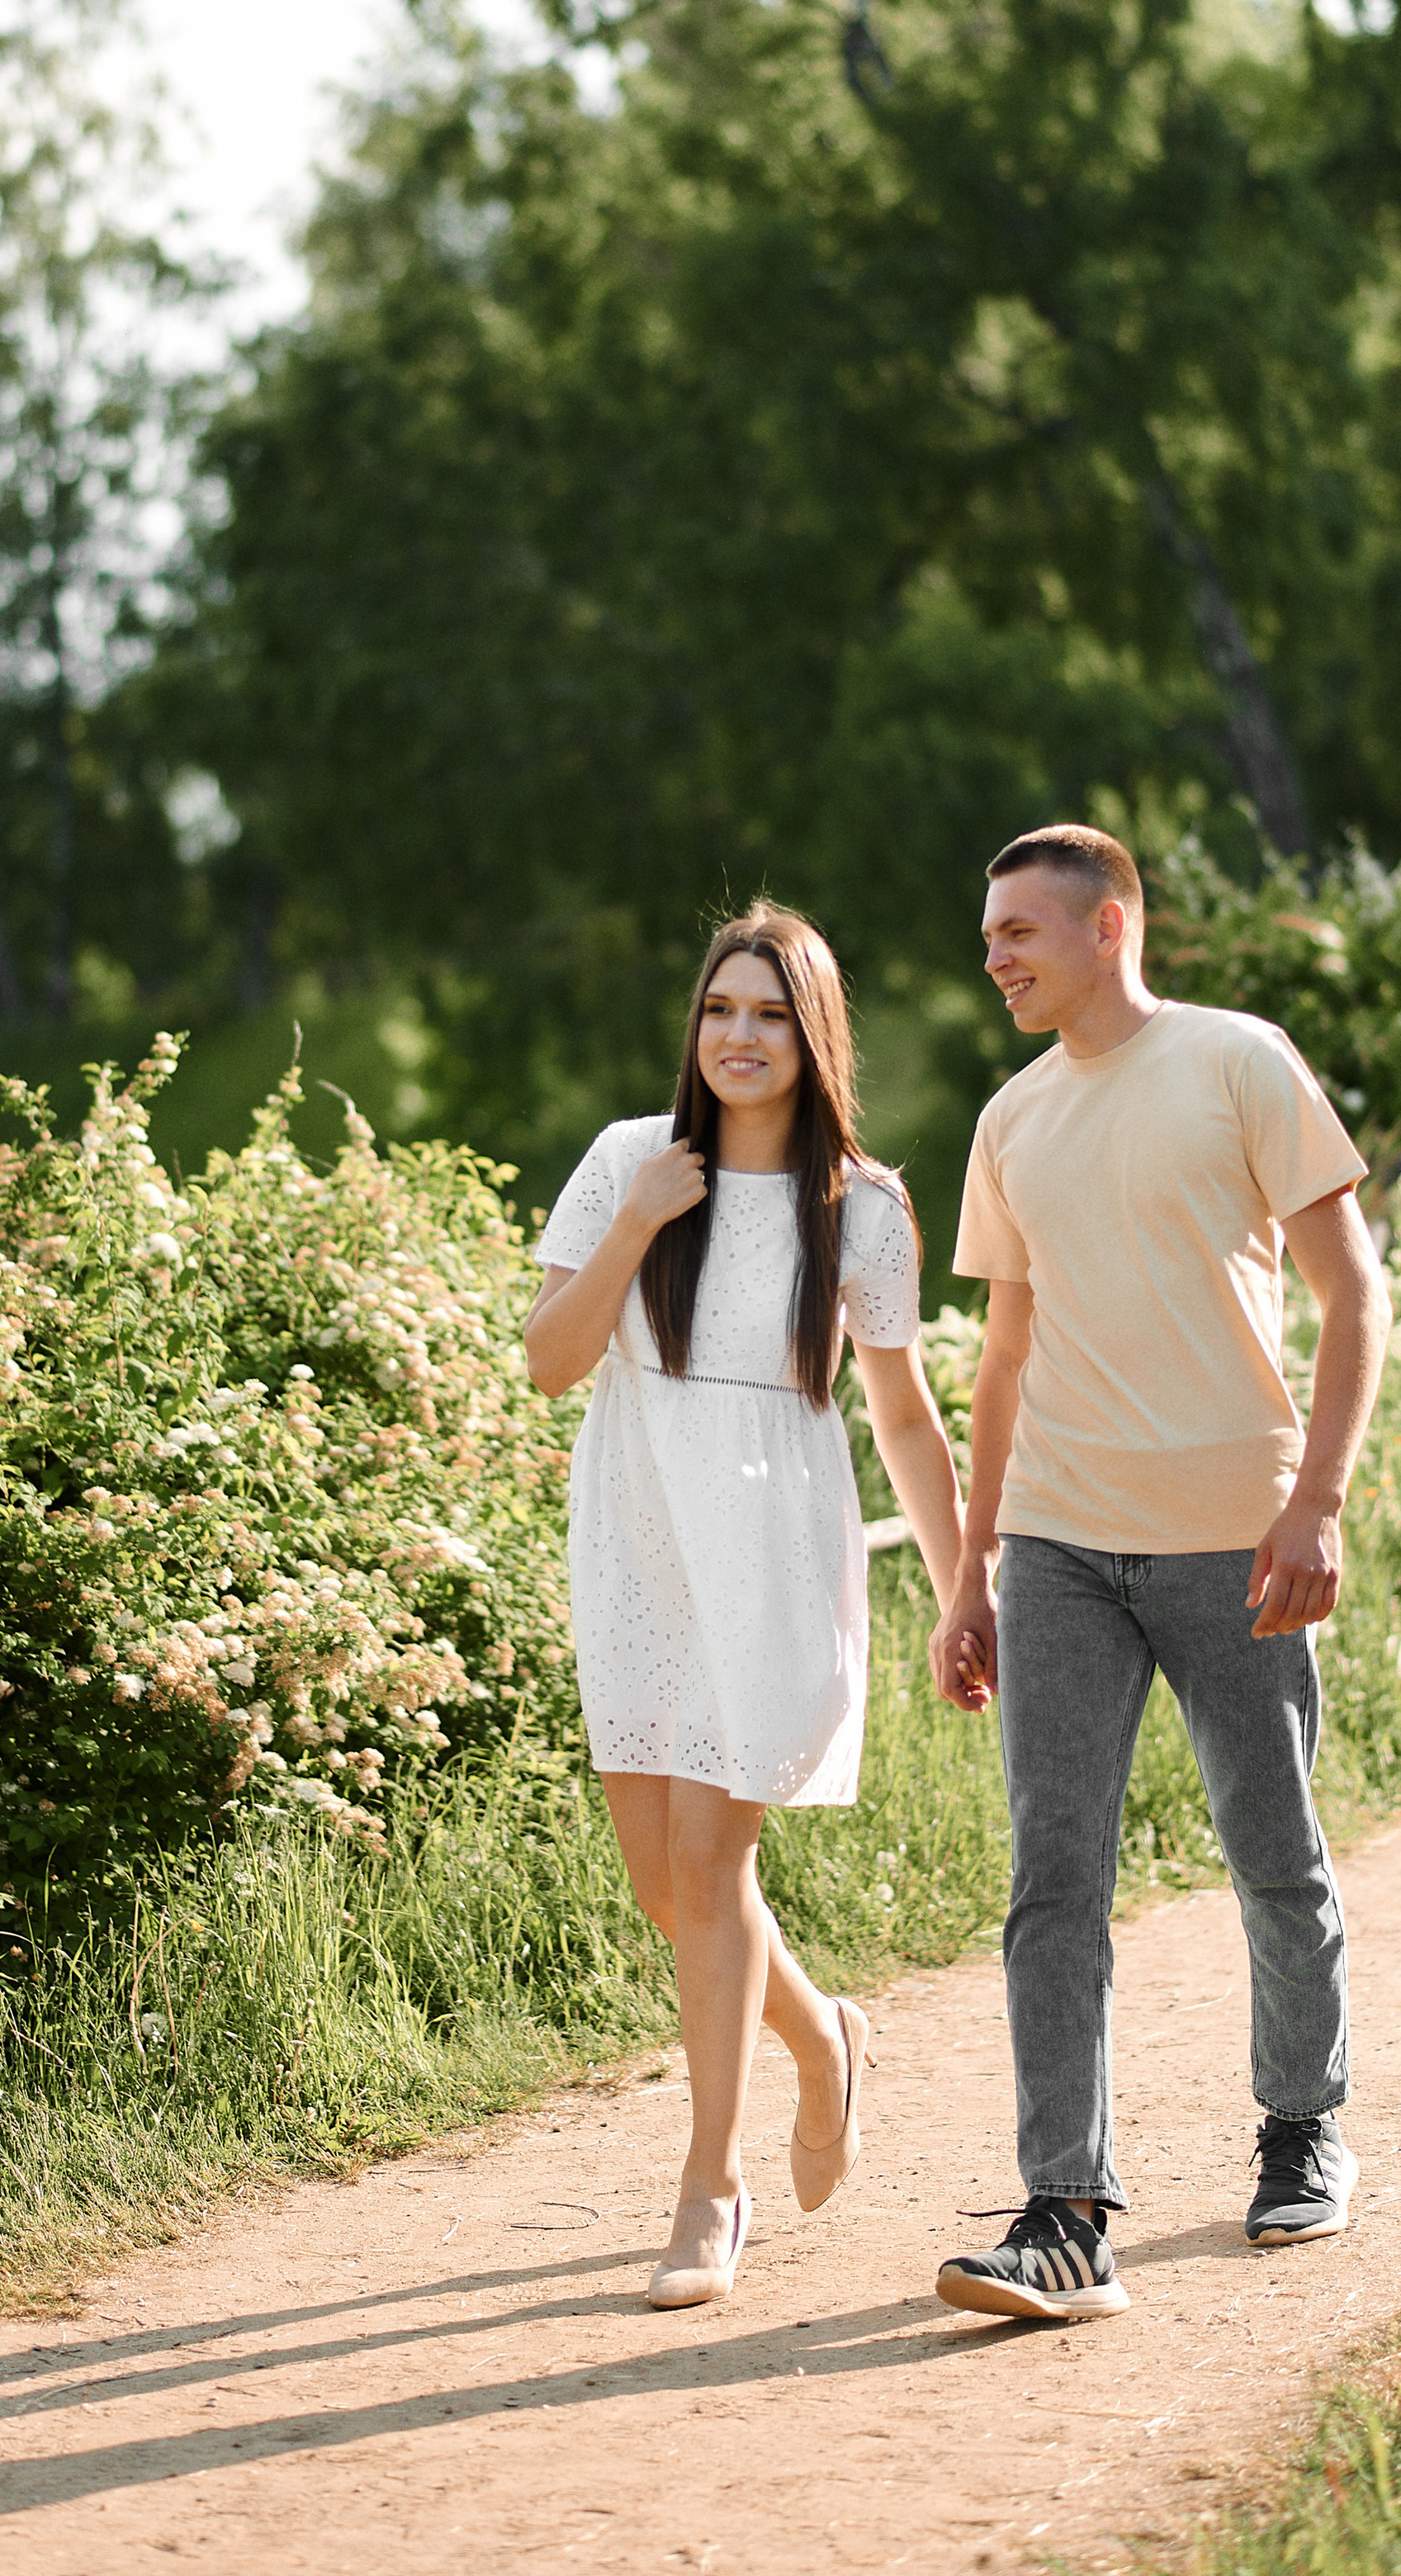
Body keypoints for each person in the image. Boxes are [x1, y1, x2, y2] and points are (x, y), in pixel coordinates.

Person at [930, 825, 1391, 2324]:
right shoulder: (1009, 1118)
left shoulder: (1240, 1061)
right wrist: (976, 1566)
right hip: (1060, 1539)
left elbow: (1351, 1293)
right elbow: (1003, 1353)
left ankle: (1301, 2124)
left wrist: (1316, 1500)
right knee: (1051, 1874)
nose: (994, 954)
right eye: (989, 932)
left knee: (1273, 1845)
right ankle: (1066, 2211)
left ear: (1109, 921)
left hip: (1233, 1535)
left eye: (1019, 930)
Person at [526, 902, 966, 2310]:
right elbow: (549, 1360)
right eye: (720, 1010)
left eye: (770, 1013)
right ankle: (825, 2036)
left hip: (774, 1552)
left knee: (712, 1873)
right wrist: (642, 1221)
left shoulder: (867, 1208)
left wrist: (968, 1592)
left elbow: (904, 1415)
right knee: (668, 1884)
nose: (740, 1036)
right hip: (640, 1540)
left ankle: (710, 2187)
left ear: (814, 1032)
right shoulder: (624, 1166)